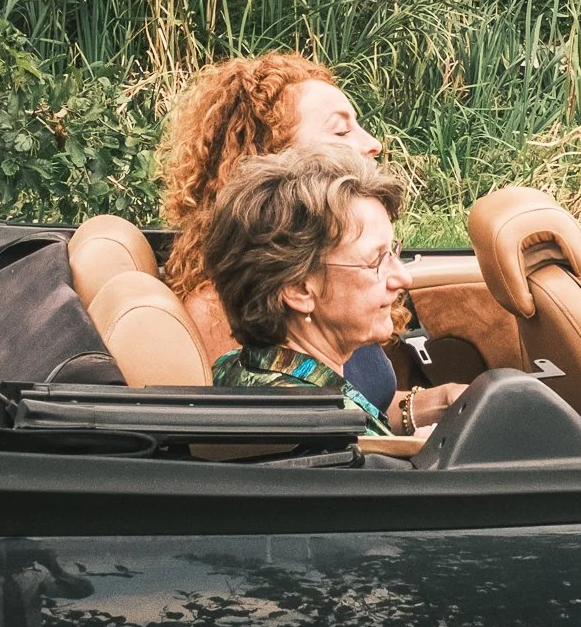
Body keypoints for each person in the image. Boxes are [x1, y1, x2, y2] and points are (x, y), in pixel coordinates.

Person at [159, 55, 410, 423]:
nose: (373, 143)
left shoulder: (336, 283)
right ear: (273, 163)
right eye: (340, 133)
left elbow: (360, 405)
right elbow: (303, 426)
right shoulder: (233, 310)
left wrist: (441, 407)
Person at [203, 146, 462, 435]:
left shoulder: (234, 368)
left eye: (394, 251)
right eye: (376, 260)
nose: (403, 278)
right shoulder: (332, 428)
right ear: (299, 288)